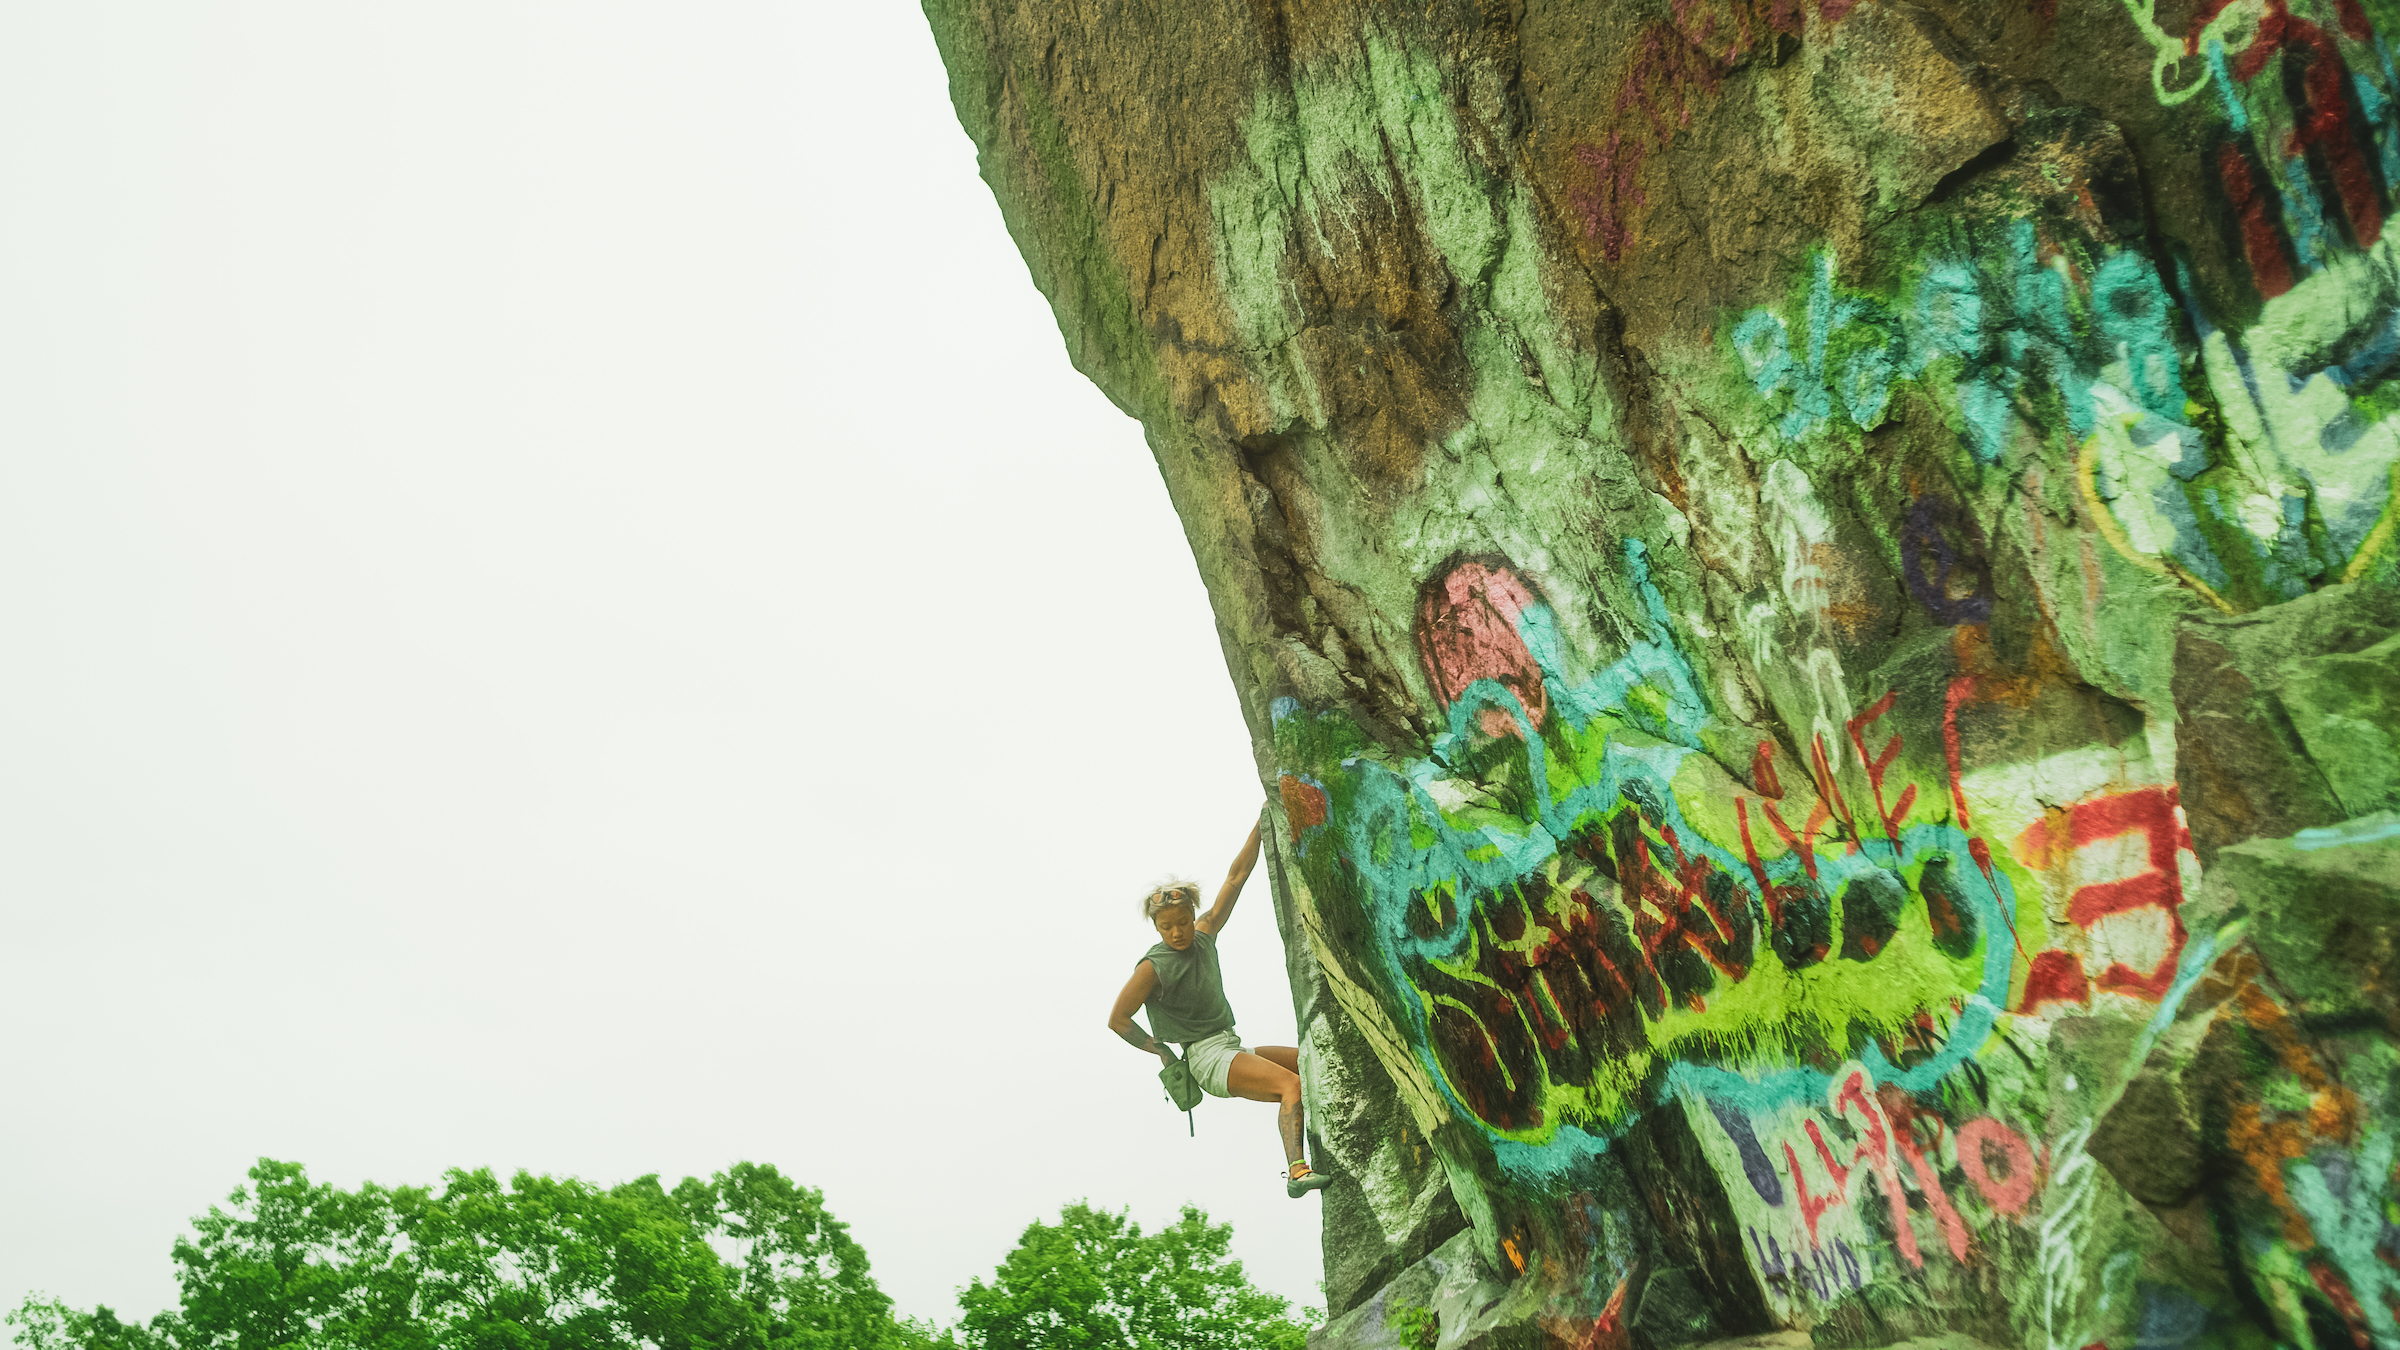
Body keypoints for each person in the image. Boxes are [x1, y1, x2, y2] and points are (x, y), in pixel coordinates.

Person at [1108, 815, 1335, 1199]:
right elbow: (1117, 1020)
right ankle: (1297, 1172)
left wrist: (1265, 821)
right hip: (1206, 1059)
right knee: (1290, 1084)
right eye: (1167, 927)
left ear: (1191, 915)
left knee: (1309, 1062)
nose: (1177, 932)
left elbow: (1236, 876)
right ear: (1157, 928)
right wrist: (1161, 1050)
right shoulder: (1153, 967)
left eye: (1182, 922)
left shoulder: (1205, 933)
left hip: (1230, 1046)